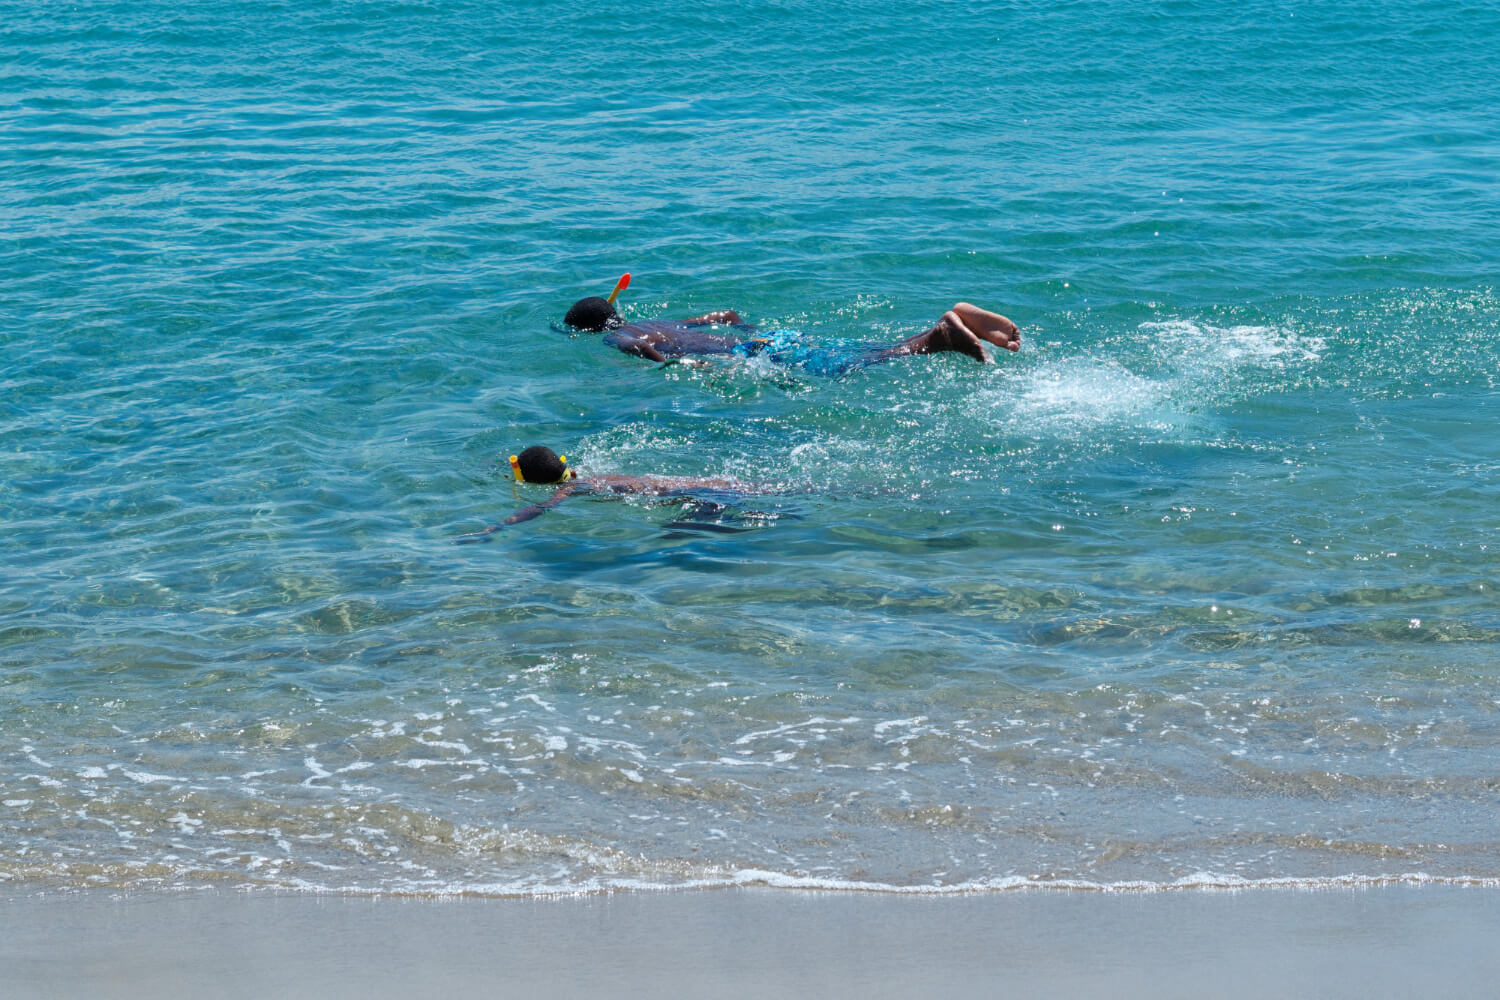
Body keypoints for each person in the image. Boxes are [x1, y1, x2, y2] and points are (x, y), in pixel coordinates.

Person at [562, 297, 1020, 375]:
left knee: (859, 363)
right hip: (768, 338)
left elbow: (638, 347)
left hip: (751, 355)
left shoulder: (615, 338)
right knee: (860, 351)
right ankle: (946, 326)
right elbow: (726, 313)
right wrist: (746, 331)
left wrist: (673, 366)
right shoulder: (664, 321)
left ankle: (940, 337)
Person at [454, 445, 765, 540]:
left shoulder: (571, 488)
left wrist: (499, 526)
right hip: (706, 486)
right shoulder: (585, 474)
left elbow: (541, 508)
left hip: (705, 498)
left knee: (673, 535)